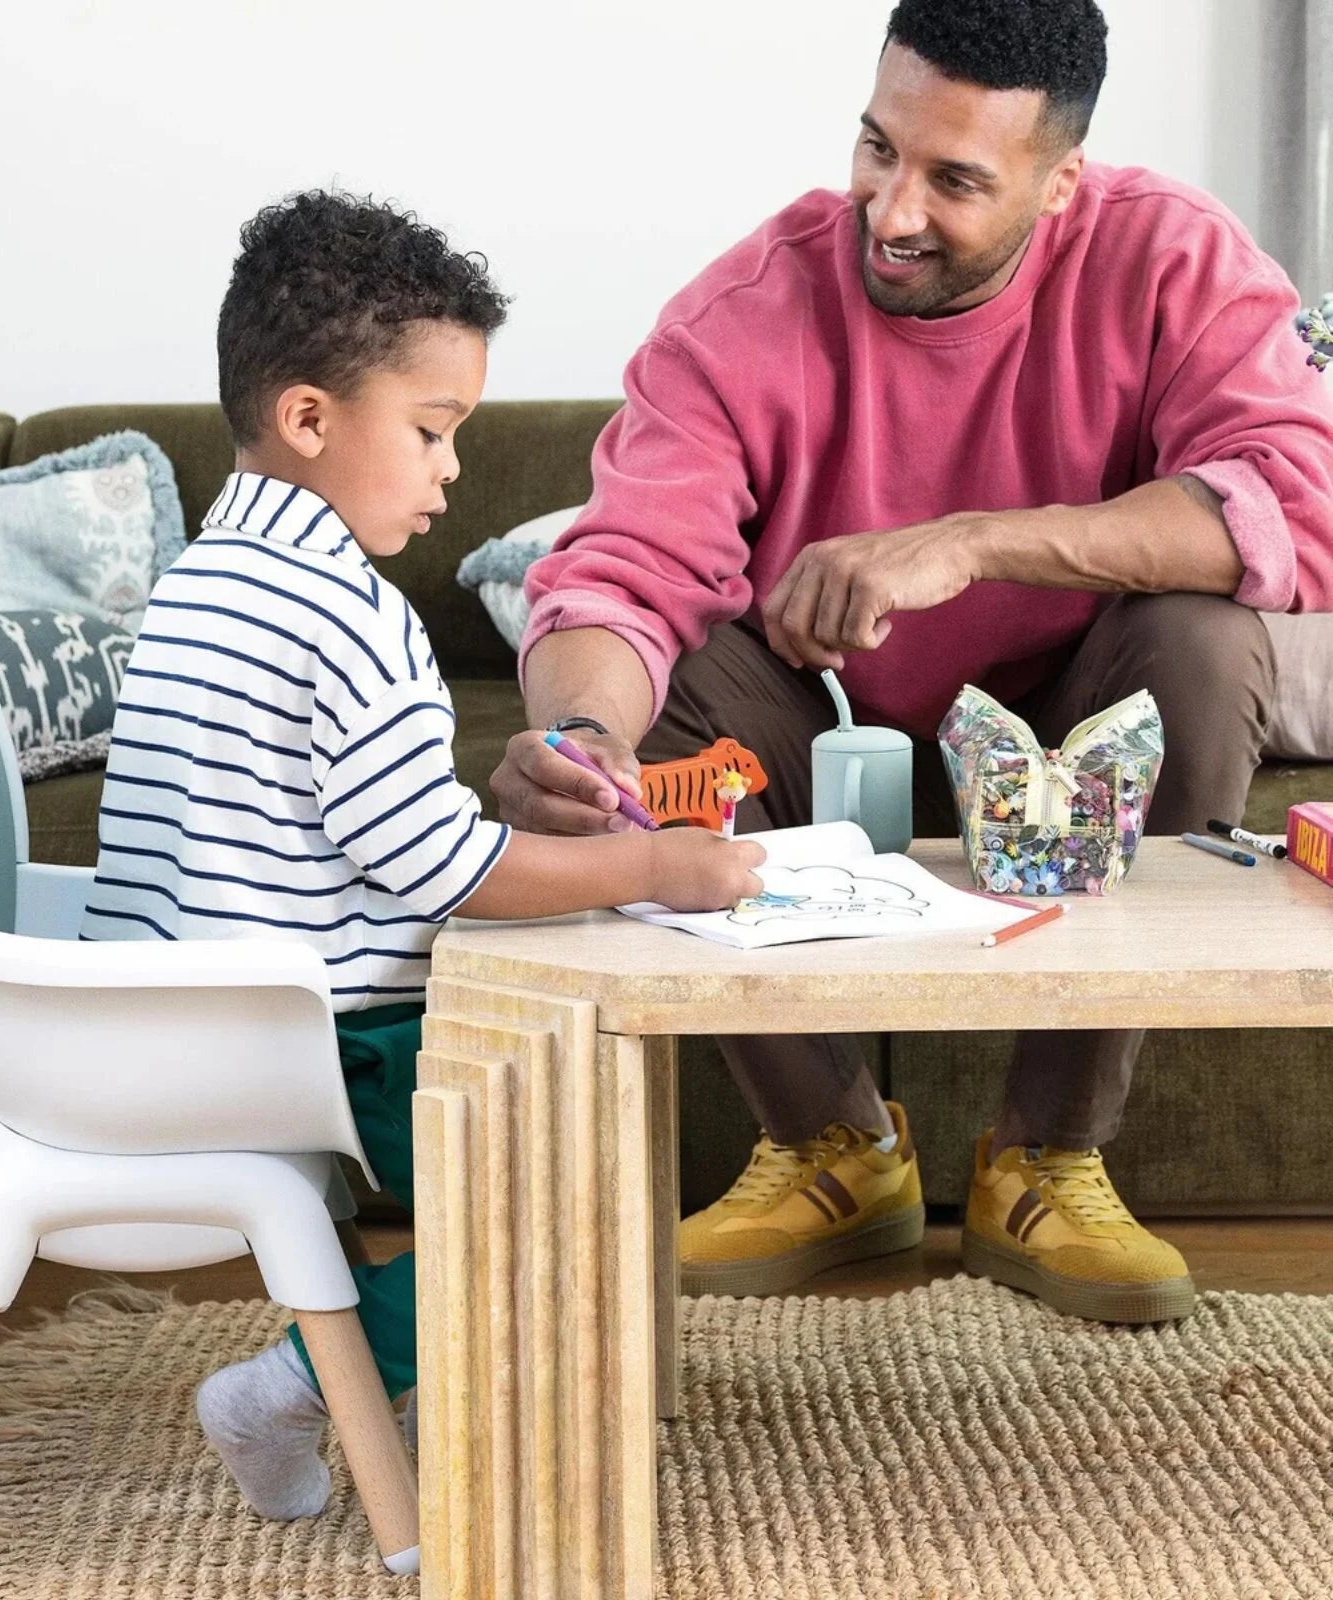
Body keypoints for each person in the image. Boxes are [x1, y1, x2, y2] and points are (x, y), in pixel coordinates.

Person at [492, 0, 1333, 1326]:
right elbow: (620, 574)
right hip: (820, 717)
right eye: (878, 147)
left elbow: (1295, 503)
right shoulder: (745, 309)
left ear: (1060, 185)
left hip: (1071, 720)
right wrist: (583, 737)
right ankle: (836, 1149)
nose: (891, 210)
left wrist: (972, 544)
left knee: (1202, 637)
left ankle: (1045, 1156)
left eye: (955, 180)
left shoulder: (1174, 257)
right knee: (662, 694)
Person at [78, 192, 763, 1523]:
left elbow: (354, 828)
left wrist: (510, 829)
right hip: (315, 1037)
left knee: (547, 1163)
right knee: (574, 1198)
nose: (451, 472)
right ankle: (294, 1388)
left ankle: (360, 1376)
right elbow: (445, 874)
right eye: (433, 431)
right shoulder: (351, 615)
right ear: (309, 418)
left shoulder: (196, 584)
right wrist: (658, 871)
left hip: (174, 1019)